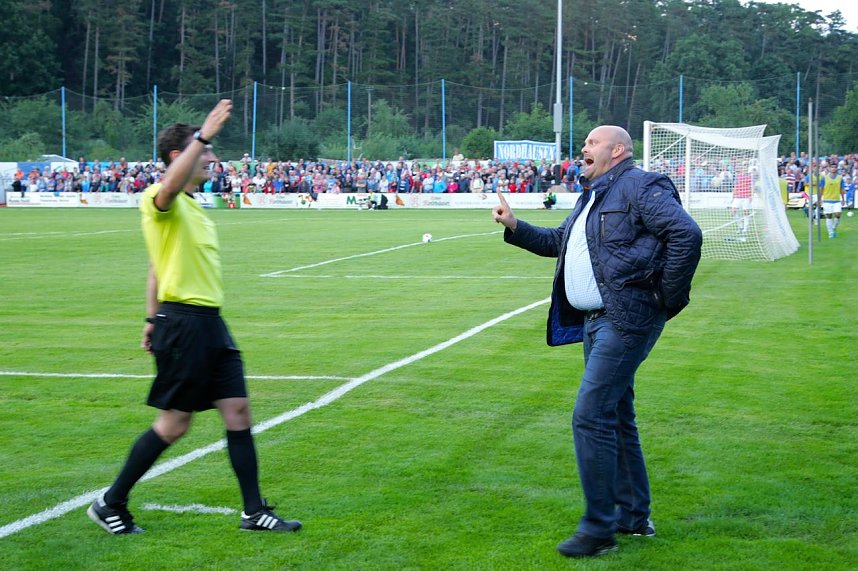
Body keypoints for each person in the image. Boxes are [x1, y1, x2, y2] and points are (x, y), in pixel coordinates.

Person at [87, 99, 301, 535]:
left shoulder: (196, 208)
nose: (212, 157)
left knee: (238, 412)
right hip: (184, 325)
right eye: (203, 152)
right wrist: (203, 133)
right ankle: (110, 502)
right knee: (174, 425)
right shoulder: (158, 198)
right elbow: (166, 191)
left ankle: (253, 511)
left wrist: (150, 317)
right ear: (177, 157)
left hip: (208, 323)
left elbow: (155, 266)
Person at [492, 125, 702, 558]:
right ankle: (632, 517)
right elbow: (559, 242)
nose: (583, 148)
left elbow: (686, 235)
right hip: (595, 322)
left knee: (590, 414)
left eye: (592, 142)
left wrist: (666, 297)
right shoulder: (594, 194)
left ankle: (598, 528)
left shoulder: (641, 186)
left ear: (618, 150)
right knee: (616, 415)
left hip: (626, 319)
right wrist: (515, 225)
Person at [818, 163, 845, 238]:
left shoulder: (840, 178)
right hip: (827, 200)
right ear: (829, 168)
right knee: (829, 216)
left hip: (836, 200)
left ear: (837, 168)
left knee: (838, 214)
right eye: (832, 167)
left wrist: (843, 199)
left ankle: (833, 227)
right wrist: (820, 199)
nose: (833, 168)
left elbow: (842, 189)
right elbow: (821, 188)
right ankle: (830, 233)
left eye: (835, 167)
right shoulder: (825, 178)